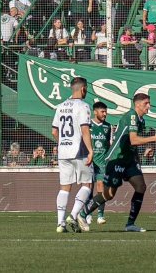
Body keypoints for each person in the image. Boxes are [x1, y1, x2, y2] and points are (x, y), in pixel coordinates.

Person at [79, 92, 156, 232]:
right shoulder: (132, 116)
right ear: (137, 104)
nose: (149, 106)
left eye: (149, 103)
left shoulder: (141, 120)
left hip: (129, 160)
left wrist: (136, 161)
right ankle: (82, 214)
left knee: (141, 187)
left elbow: (133, 144)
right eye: (146, 103)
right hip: (116, 158)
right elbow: (134, 139)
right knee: (109, 195)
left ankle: (130, 224)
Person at [51, 76, 93, 233]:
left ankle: (60, 223)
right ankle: (73, 215)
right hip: (79, 150)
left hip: (63, 151)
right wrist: (90, 150)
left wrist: (63, 143)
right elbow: (84, 130)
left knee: (64, 187)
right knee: (87, 184)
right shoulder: (83, 106)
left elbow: (54, 131)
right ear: (83, 89)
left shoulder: (60, 106)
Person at [87, 100, 112, 225]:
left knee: (101, 187)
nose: (105, 114)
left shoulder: (108, 126)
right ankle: (88, 213)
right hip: (89, 162)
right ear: (95, 111)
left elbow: (109, 144)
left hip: (102, 162)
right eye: (102, 111)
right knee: (88, 189)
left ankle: (100, 215)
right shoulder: (87, 126)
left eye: (106, 112)